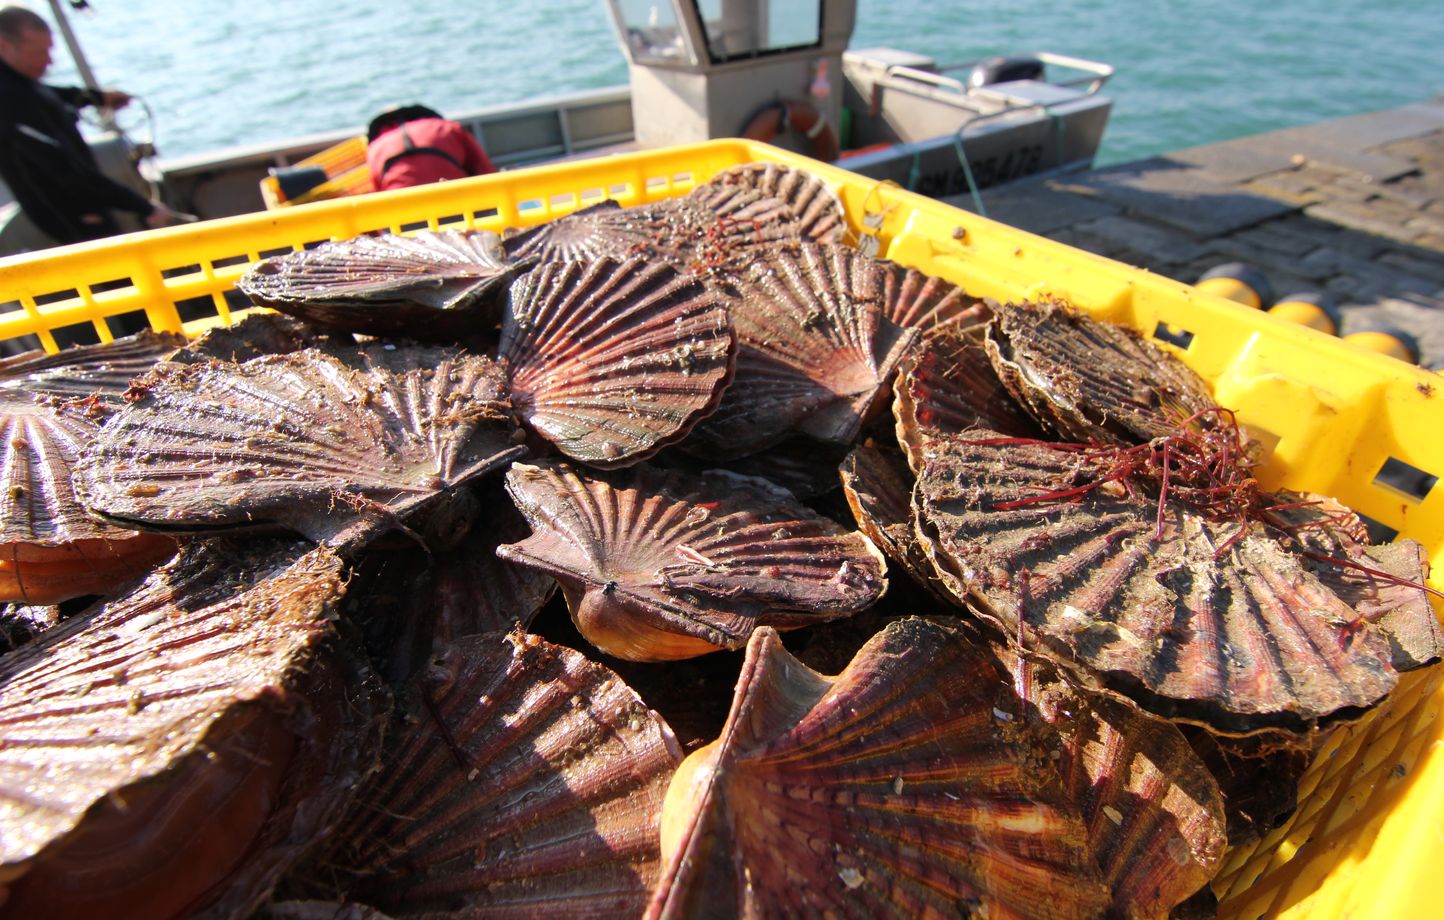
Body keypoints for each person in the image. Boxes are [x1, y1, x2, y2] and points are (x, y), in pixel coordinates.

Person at [0, 4, 179, 247]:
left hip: (86, 200)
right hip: (69, 213)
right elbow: (65, 172)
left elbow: (44, 94)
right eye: (40, 53)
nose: (49, 61)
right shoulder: (8, 101)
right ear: (4, 46)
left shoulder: (18, 81)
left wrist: (95, 98)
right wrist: (144, 206)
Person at [365, 103, 496, 192]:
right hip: (461, 204)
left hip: (403, 218)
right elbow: (487, 172)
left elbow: (377, 191)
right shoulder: (446, 127)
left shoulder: (375, 148)